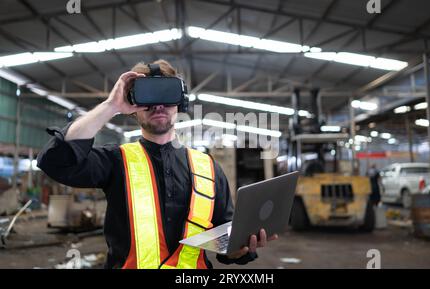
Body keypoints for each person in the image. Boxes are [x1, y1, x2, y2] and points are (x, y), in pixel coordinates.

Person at [37, 59, 277, 269]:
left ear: (180, 103)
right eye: (148, 98)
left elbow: (226, 235)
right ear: (133, 108)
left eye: (166, 94)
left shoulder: (209, 167)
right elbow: (55, 161)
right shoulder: (115, 161)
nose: (158, 106)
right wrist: (111, 106)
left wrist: (239, 249)